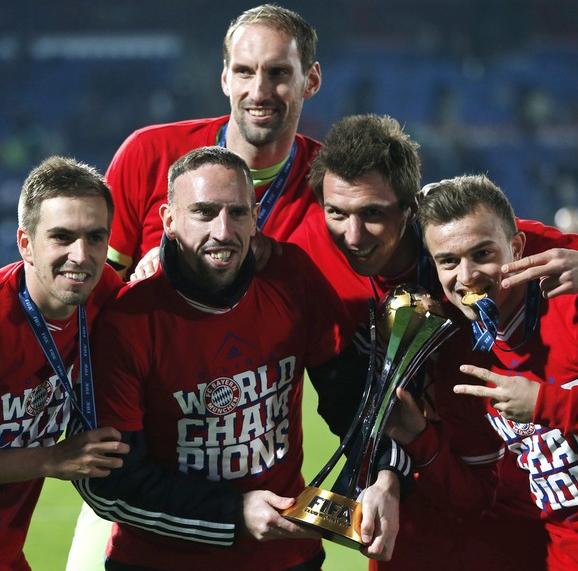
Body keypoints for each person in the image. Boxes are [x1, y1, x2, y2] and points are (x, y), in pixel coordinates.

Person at [73, 146, 408, 571]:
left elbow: (351, 399)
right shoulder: (128, 320)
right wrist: (233, 512)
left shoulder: (292, 278)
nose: (222, 230)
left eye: (237, 213)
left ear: (255, 219)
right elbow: (109, 485)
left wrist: (384, 475)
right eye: (204, 212)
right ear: (169, 221)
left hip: (287, 560)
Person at [291, 113, 578, 571]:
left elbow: (522, 247)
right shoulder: (311, 258)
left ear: (409, 208)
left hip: (517, 509)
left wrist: (548, 404)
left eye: (373, 213)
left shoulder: (469, 239)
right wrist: (388, 468)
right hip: (424, 499)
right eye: (337, 213)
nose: (352, 235)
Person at [414, 174, 578, 570]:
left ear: (516, 246)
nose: (467, 275)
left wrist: (546, 404)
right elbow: (473, 496)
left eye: (483, 254)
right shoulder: (461, 359)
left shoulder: (571, 304)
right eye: (448, 261)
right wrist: (415, 436)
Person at [105, 3, 322, 280]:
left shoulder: (332, 184)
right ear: (225, 79)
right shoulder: (148, 153)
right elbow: (96, 292)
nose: (258, 92)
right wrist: (168, 264)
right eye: (244, 71)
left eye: (278, 72)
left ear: (311, 80)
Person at [0, 156, 130, 571]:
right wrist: (51, 460)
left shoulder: (104, 292)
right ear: (25, 243)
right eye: (61, 237)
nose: (81, 255)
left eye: (95, 237)